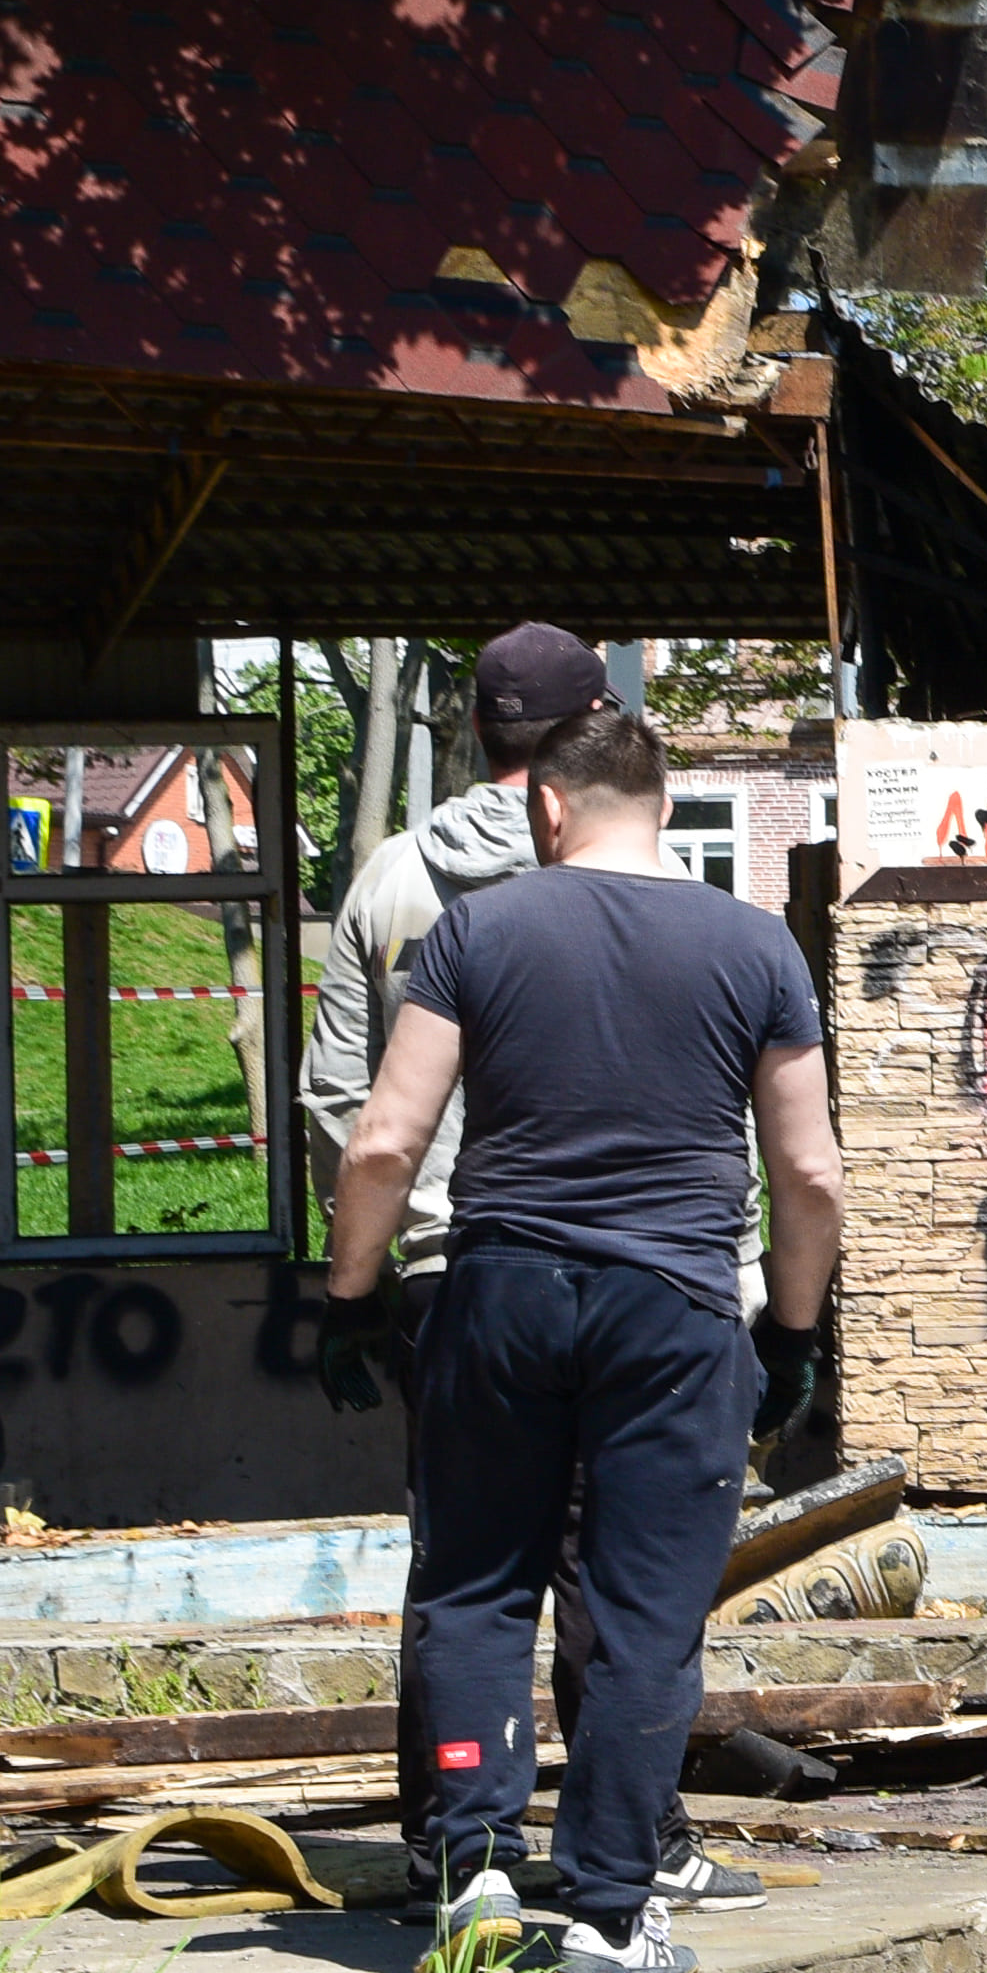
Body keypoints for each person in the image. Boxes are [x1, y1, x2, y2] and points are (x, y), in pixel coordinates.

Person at [323, 692, 842, 1973]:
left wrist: (347, 1292)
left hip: (500, 1294)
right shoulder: (756, 945)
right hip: (669, 1313)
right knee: (642, 1613)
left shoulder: (478, 930)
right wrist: (791, 1332)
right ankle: (611, 1917)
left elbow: (386, 1139)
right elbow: (811, 1175)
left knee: (476, 1586)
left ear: (545, 807)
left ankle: (477, 1866)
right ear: (663, 805)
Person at [301, 627, 603, 1831]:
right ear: (595, 734)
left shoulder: (387, 878)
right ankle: (626, 1828)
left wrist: (360, 1274)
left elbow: (340, 1096)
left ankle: (448, 1828)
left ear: (471, 732)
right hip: (613, 1260)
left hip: (442, 1269)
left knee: (463, 1558)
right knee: (605, 1557)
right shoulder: (643, 877)